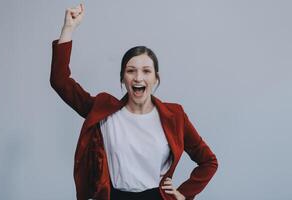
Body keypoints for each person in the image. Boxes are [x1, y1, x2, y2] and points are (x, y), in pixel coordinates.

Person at [50, 3, 218, 200]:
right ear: (123, 78)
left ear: (156, 78)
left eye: (146, 71)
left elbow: (209, 161)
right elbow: (60, 81)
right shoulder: (103, 109)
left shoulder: (175, 116)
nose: (138, 77)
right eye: (131, 71)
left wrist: (184, 194)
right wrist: (68, 29)